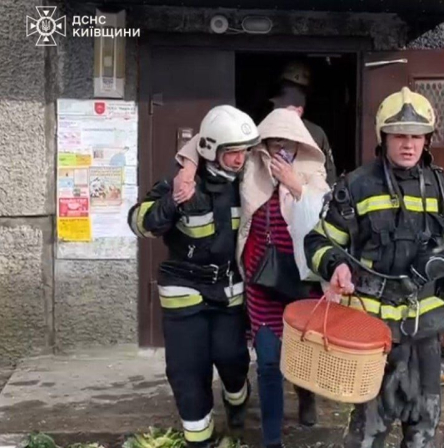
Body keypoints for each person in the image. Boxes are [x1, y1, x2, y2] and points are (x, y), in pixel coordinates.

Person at [304, 87, 444, 448]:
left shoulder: (443, 188)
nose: (408, 144)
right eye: (399, 136)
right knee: (368, 431)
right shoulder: (357, 186)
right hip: (372, 332)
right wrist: (334, 266)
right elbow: (317, 243)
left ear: (427, 140)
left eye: (416, 136)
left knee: (423, 426)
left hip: (425, 331)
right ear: (384, 138)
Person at [173, 108, 329, 448]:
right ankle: (272, 440)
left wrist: (295, 185)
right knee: (269, 362)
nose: (279, 149)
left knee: (302, 357)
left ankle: (305, 396)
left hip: (302, 283)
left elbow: (324, 216)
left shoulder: (313, 171)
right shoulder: (250, 166)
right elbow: (207, 142)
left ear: (301, 143)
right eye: (272, 141)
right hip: (261, 282)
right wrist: (186, 169)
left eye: (287, 142)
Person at [127, 105, 258, 448]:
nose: (239, 159)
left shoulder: (248, 185)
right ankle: (200, 441)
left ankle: (237, 411)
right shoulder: (180, 184)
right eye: (232, 152)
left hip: (228, 293)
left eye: (243, 151)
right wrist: (171, 202)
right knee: (188, 371)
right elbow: (139, 223)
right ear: (212, 150)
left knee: (233, 361)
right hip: (184, 293)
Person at [271, 60, 337, 186]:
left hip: (306, 199)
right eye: (288, 90)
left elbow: (329, 178)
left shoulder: (316, 133)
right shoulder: (264, 129)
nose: (292, 97)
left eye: (299, 91)